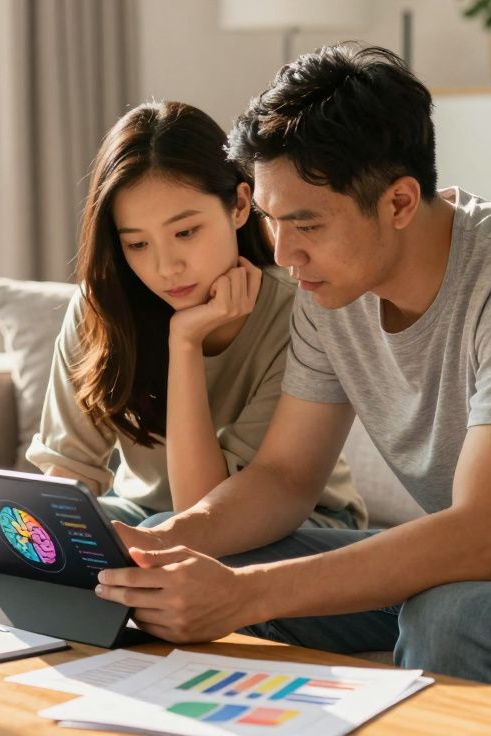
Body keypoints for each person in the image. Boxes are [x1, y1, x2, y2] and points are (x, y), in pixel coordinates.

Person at [92, 45, 491, 697]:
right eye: (270, 219)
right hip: (480, 570)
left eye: (306, 222)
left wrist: (241, 596)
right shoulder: (329, 287)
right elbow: (285, 477)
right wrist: (171, 539)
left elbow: (483, 538)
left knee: (457, 615)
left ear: (400, 202)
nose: (284, 254)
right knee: (172, 561)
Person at [26, 101, 364, 529]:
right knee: (46, 539)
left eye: (185, 232)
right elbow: (68, 475)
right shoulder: (102, 308)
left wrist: (184, 342)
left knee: (151, 541)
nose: (166, 267)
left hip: (296, 523)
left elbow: (201, 512)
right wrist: (30, 544)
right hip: (148, 515)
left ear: (240, 206)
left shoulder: (302, 314)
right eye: (138, 244)